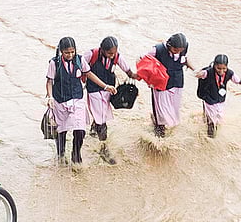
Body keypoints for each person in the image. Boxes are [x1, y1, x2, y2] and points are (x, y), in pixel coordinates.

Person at [46, 37, 117, 166]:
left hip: (77, 99)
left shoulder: (80, 60)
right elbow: (50, 82)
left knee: (80, 129)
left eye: (72, 52)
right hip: (60, 101)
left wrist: (105, 86)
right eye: (67, 52)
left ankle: (76, 155)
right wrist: (50, 97)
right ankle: (61, 154)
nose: (70, 55)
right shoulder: (54, 63)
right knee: (61, 131)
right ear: (61, 51)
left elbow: (89, 74)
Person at [85, 37, 139, 165]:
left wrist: (142, 74)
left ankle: (93, 130)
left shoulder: (116, 57)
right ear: (102, 50)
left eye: (114, 53)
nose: (112, 55)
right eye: (109, 53)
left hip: (109, 90)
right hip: (94, 91)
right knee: (102, 120)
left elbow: (129, 72)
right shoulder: (91, 54)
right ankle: (103, 148)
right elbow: (81, 68)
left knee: (101, 114)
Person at [194, 55, 241, 138]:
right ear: (214, 66)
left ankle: (208, 125)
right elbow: (200, 74)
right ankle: (210, 137)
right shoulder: (208, 72)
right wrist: (198, 73)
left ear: (227, 67)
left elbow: (239, 82)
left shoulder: (230, 73)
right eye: (218, 68)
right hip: (209, 99)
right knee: (211, 121)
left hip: (221, 99)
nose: (221, 71)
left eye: (224, 69)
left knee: (219, 119)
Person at [147, 33, 194, 137]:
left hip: (177, 82)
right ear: (169, 45)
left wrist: (194, 69)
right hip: (160, 84)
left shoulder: (183, 49)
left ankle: (162, 126)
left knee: (174, 109)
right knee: (160, 111)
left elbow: (185, 59)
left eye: (180, 50)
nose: (178, 52)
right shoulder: (157, 50)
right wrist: (148, 79)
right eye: (175, 50)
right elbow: (143, 60)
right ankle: (159, 134)